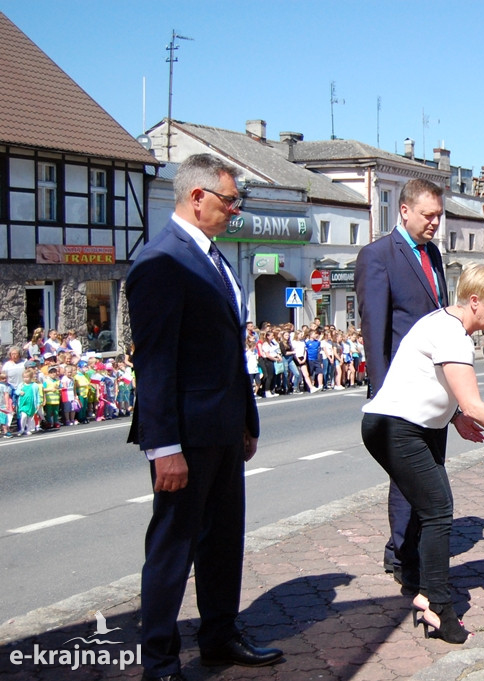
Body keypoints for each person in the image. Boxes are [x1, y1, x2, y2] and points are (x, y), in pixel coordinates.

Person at [125, 153, 282, 681]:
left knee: (222, 542)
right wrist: (163, 446)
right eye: (229, 200)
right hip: (184, 436)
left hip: (220, 428)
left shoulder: (214, 257)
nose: (235, 210)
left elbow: (225, 352)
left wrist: (244, 420)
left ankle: (218, 636)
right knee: (172, 549)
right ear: (197, 197)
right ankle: (161, 660)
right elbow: (154, 362)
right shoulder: (161, 261)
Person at [361, 264, 484, 643]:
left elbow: (428, 380)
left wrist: (455, 417)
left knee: (428, 508)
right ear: (475, 301)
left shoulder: (444, 323)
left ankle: (420, 585)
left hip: (408, 425)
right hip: (398, 428)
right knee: (438, 510)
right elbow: (476, 404)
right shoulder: (453, 335)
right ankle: (438, 606)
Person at [356, 178, 483, 582]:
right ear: (404, 210)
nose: (434, 223)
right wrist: (382, 392)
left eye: (439, 216)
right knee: (406, 476)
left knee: (431, 468)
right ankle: (401, 555)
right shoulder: (378, 256)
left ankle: (413, 550)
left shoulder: (433, 254)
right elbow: (375, 331)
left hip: (436, 390)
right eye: (428, 215)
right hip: (401, 391)